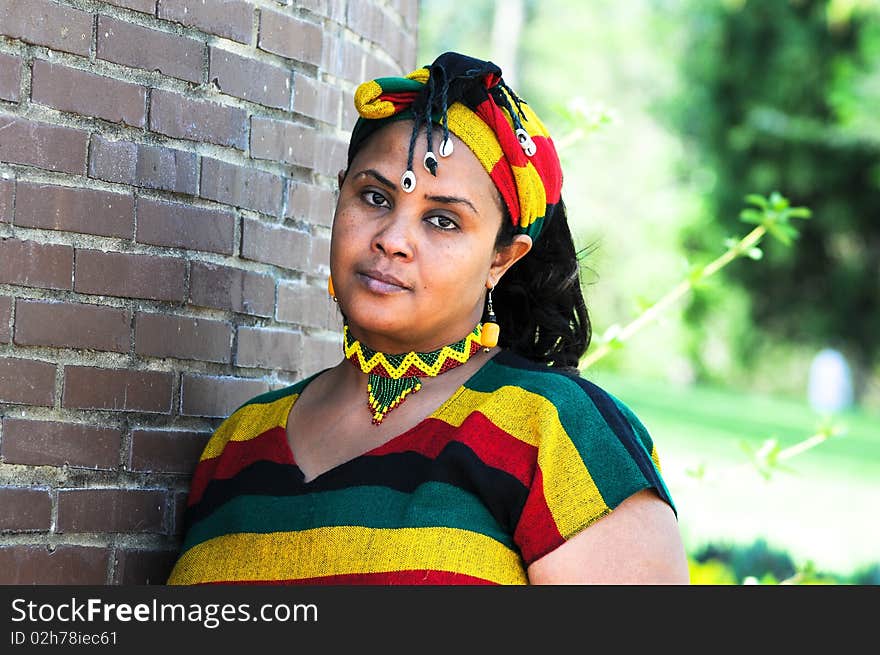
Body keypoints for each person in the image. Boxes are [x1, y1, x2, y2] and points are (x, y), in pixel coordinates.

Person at [166, 52, 690, 585]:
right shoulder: (238, 443)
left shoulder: (557, 432)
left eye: (442, 220)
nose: (392, 240)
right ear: (339, 194)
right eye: (374, 196)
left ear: (500, 260)